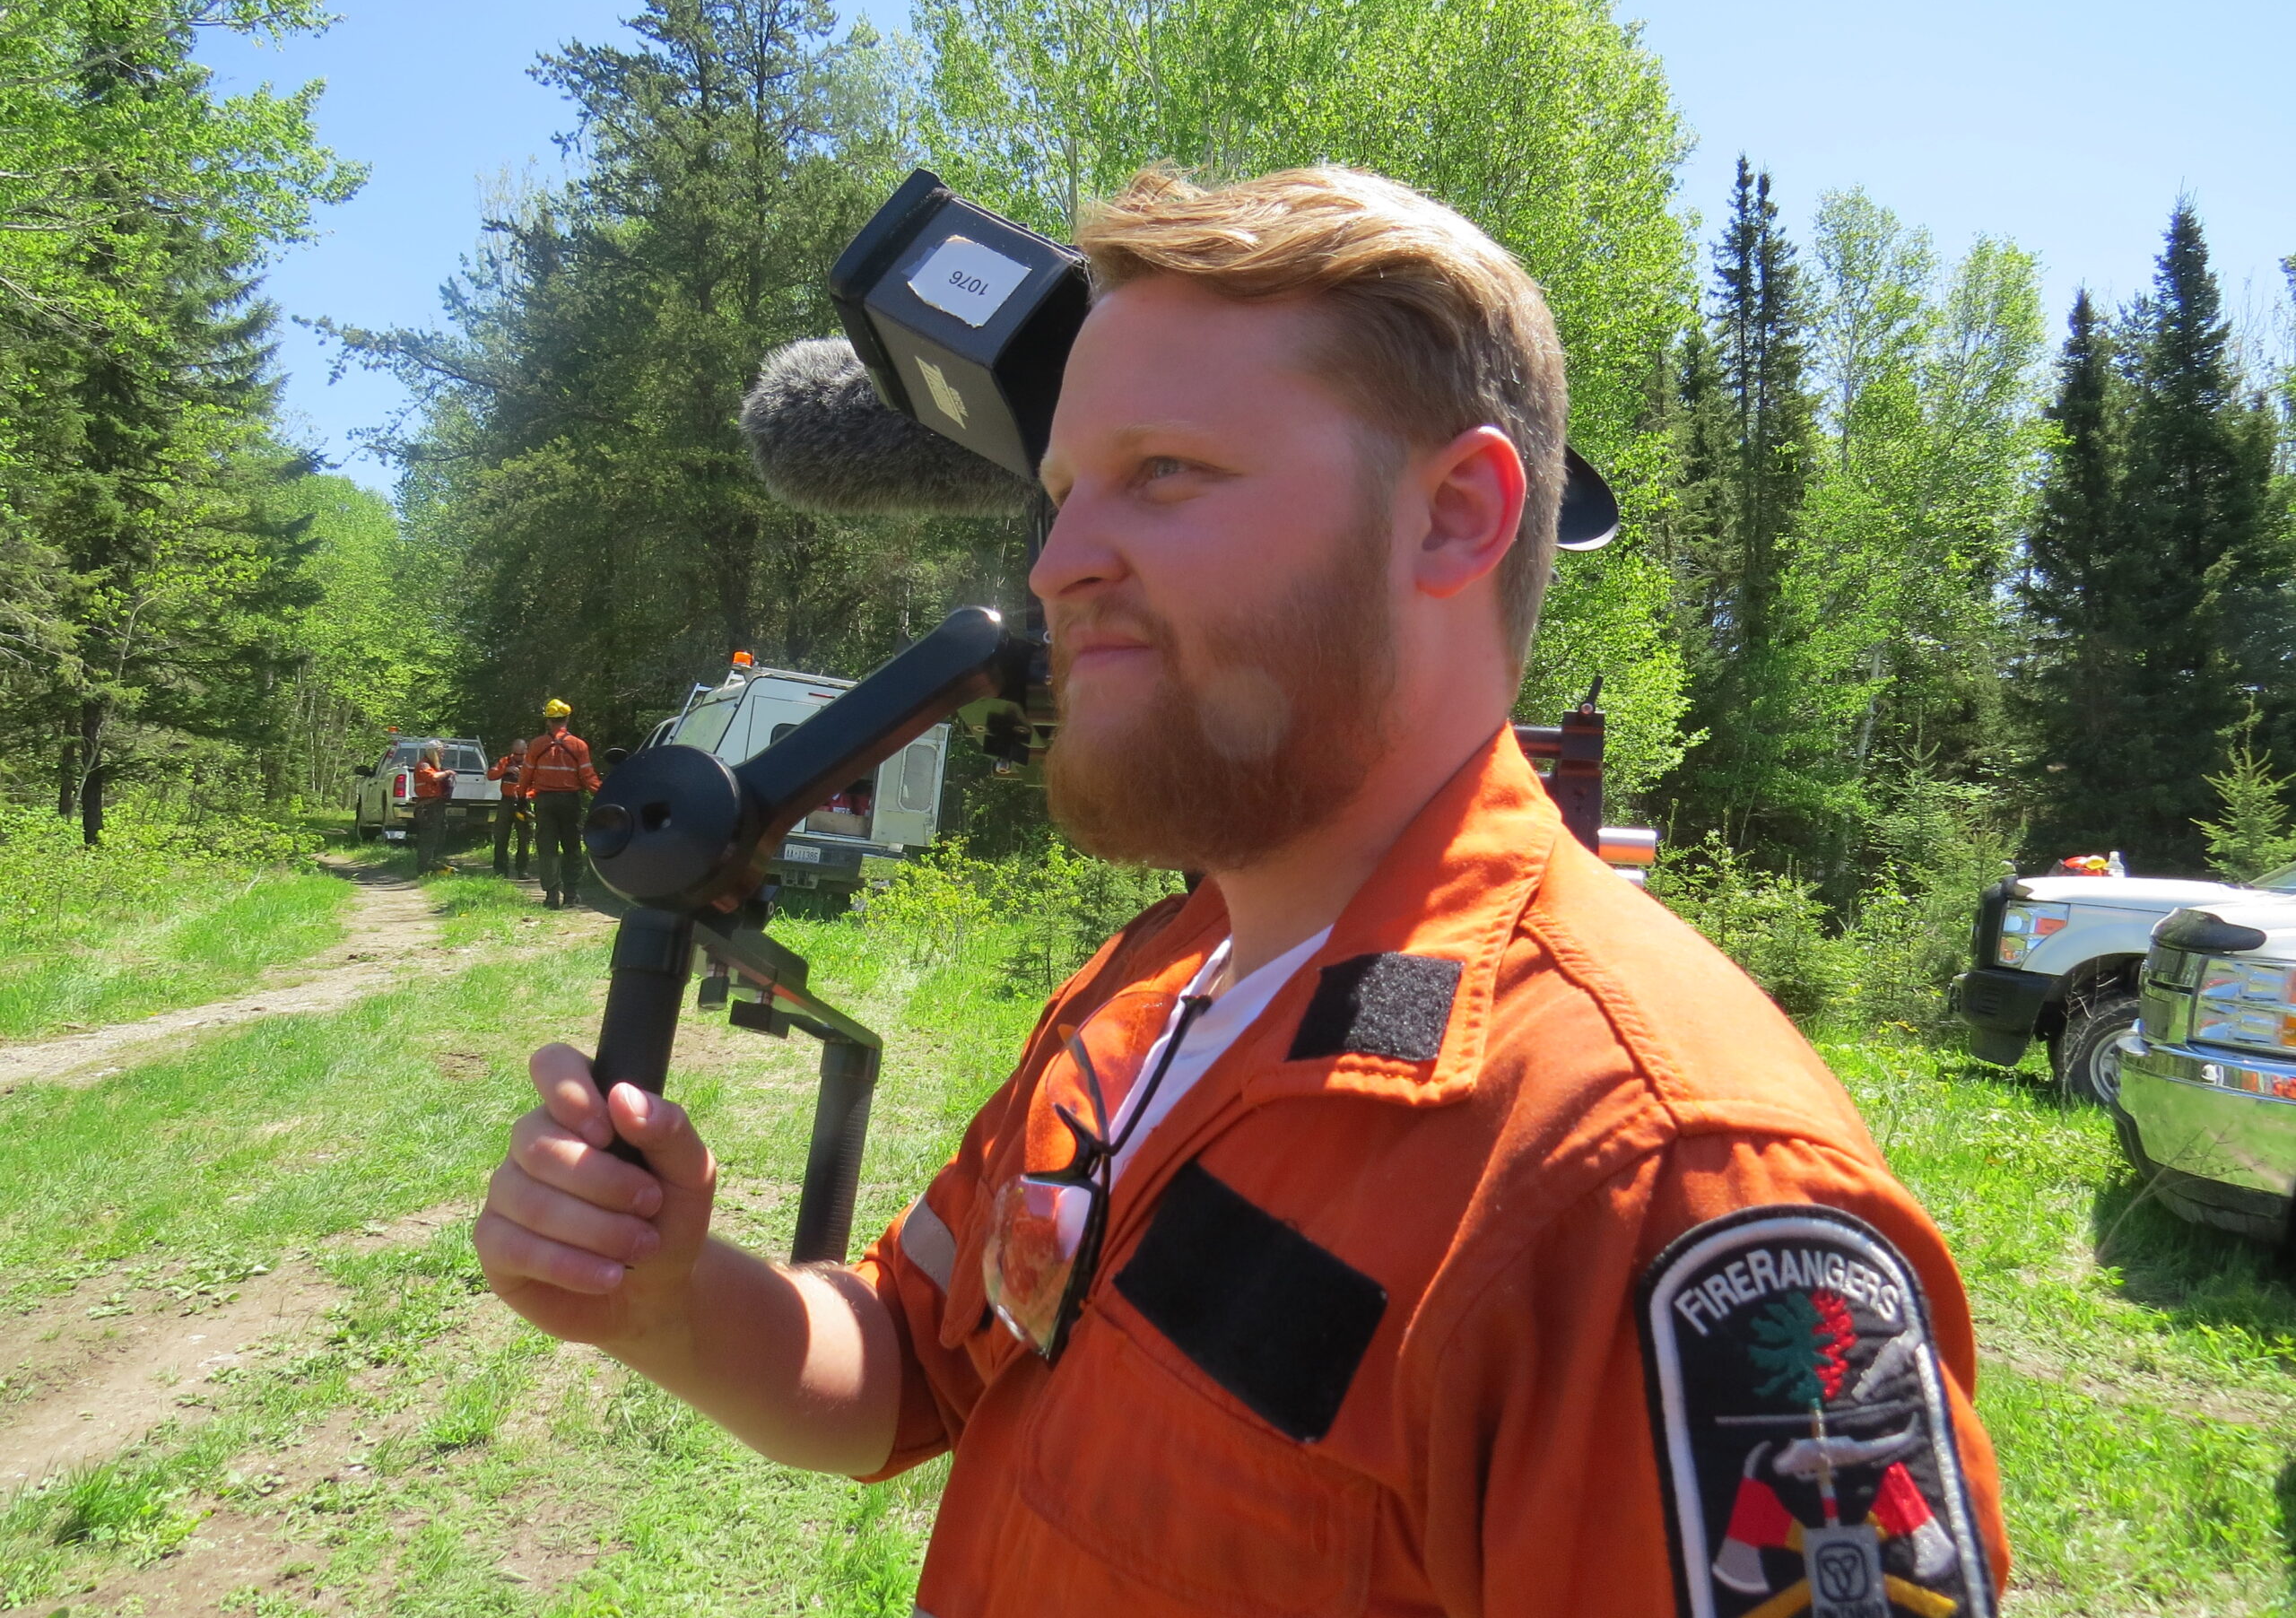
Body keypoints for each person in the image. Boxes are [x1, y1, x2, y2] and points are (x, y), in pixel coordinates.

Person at [476, 168, 2011, 1616]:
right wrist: (664, 1299)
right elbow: (903, 1363)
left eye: (1164, 475)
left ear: (1453, 517)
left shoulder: (1666, 1187)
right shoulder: (1148, 994)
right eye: (1066, 492)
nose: (1064, 559)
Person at [526, 700, 600, 910]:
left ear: (549, 721)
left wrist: (521, 796)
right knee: (572, 847)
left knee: (547, 848)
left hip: (544, 802)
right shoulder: (578, 745)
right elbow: (588, 777)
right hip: (570, 802)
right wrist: (604, 794)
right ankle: (570, 895)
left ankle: (551, 897)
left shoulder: (537, 745)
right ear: (567, 719)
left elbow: (526, 774)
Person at [489, 737, 532, 879]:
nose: (518, 757)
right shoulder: (505, 761)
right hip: (506, 802)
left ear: (526, 750)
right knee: (501, 836)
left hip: (523, 802)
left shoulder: (531, 762)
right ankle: (500, 869)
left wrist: (528, 794)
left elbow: (539, 781)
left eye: (521, 754)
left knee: (524, 837)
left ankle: (522, 869)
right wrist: (505, 770)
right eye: (516, 754)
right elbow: (491, 775)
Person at [410, 742, 452, 876]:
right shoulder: (424, 765)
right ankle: (424, 869)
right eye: (440, 752)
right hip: (428, 807)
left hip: (437, 805)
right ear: (433, 752)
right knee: (428, 838)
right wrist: (447, 773)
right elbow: (432, 777)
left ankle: (435, 866)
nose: (443, 754)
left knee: (440, 836)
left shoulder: (435, 766)